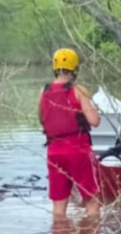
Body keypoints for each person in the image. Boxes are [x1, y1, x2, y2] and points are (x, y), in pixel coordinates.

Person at [39, 48, 102, 217]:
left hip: (54, 153)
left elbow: (42, 120)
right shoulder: (79, 91)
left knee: (59, 207)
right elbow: (94, 121)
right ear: (75, 69)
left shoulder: (43, 92)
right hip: (78, 151)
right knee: (92, 201)